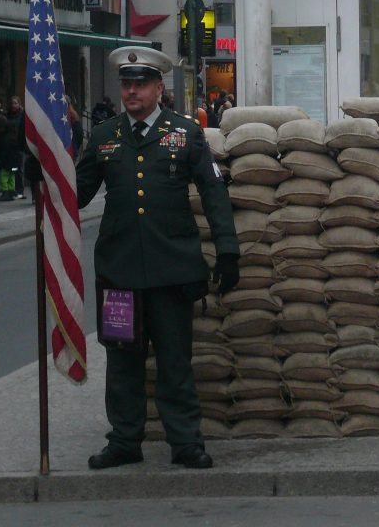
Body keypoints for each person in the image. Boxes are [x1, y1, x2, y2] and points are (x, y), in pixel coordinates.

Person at [76, 46, 240, 471]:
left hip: (171, 268)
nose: (131, 91)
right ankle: (125, 440)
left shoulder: (185, 134)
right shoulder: (104, 136)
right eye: (126, 83)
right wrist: (45, 174)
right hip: (120, 269)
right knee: (123, 360)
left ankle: (185, 442)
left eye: (140, 83)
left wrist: (227, 250)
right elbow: (76, 195)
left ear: (158, 88)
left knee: (174, 361)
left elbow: (213, 193)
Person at [6, 96, 26, 199]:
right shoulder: (7, 115)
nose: (13, 105)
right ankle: (11, 188)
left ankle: (20, 190)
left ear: (19, 104)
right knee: (11, 168)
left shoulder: (22, 115)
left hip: (19, 145)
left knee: (19, 169)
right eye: (12, 103)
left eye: (15, 103)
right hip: (10, 145)